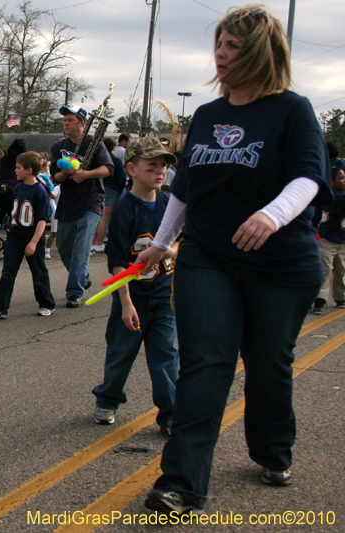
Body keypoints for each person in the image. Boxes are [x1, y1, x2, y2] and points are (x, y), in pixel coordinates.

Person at [139, 5, 333, 516]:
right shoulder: (206, 116)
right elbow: (185, 191)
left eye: (232, 47)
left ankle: (272, 449)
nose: (220, 55)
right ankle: (180, 483)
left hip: (281, 264)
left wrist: (271, 216)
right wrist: (160, 243)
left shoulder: (292, 110)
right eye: (219, 44)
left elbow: (309, 177)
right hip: (208, 257)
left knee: (269, 364)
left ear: (260, 54)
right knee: (206, 363)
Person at [91, 138, 179, 432]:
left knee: (165, 356)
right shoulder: (125, 210)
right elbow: (117, 261)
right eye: (151, 166)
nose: (160, 172)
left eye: (164, 166)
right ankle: (107, 398)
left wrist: (167, 249)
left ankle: (170, 412)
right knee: (120, 353)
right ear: (131, 169)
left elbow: (182, 243)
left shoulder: (168, 204)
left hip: (164, 297)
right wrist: (126, 304)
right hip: (134, 298)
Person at [50, 105, 114, 307]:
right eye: (65, 120)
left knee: (81, 249)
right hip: (68, 204)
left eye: (70, 120)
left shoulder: (94, 144)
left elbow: (108, 169)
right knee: (64, 247)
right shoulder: (58, 146)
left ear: (82, 123)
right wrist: (66, 173)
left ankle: (74, 292)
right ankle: (83, 279)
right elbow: (55, 177)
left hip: (91, 202)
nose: (66, 124)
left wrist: (86, 174)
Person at [0, 151, 55, 319]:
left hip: (33, 236)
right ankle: (0, 308)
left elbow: (41, 221)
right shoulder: (18, 187)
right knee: (8, 272)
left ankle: (46, 304)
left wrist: (34, 242)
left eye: (18, 168)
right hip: (15, 236)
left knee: (38, 272)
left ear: (29, 170)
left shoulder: (40, 191)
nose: (15, 171)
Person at [311, 166, 345, 314]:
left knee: (341, 270)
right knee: (325, 270)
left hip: (342, 239)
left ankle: (341, 297)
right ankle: (320, 300)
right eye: (341, 178)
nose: (344, 181)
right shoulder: (334, 196)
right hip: (326, 239)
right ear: (331, 181)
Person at [91, 137, 128, 254]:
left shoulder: (98, 159)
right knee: (105, 218)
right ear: (114, 147)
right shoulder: (116, 160)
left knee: (96, 216)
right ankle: (100, 244)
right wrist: (120, 188)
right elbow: (121, 178)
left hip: (97, 188)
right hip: (112, 189)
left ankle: (92, 243)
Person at [0, 139, 26, 228]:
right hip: (13, 188)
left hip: (1, 186)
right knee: (15, 215)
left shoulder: (4, 159)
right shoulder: (20, 161)